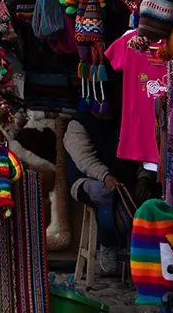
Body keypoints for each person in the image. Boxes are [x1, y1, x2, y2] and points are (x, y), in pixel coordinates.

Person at [65, 109, 136, 277]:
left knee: (144, 197)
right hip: (87, 179)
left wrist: (144, 178)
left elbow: (139, 153)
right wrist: (105, 176)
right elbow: (84, 159)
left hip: (121, 179)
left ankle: (135, 247)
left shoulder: (124, 118)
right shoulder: (78, 124)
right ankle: (107, 244)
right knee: (103, 194)